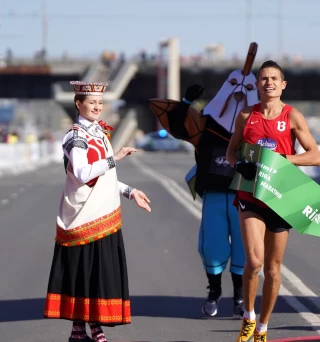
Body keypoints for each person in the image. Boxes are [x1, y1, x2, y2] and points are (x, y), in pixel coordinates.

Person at [147, 42, 260, 318]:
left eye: (246, 88)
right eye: (234, 84)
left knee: (245, 248)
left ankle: (239, 298)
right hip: (213, 193)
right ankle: (213, 292)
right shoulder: (204, 125)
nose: (238, 92)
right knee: (212, 244)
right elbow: (177, 126)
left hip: (244, 196)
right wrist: (185, 104)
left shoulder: (256, 127)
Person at [44, 81, 151, 342]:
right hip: (83, 215)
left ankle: (83, 329)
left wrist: (129, 191)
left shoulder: (99, 134)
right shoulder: (76, 136)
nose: (97, 107)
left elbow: (104, 177)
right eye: (91, 102)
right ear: (78, 104)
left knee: (94, 271)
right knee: (84, 270)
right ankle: (89, 328)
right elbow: (82, 173)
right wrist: (116, 156)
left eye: (100, 103)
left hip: (103, 212)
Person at [226, 60, 320, 342]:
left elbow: (315, 156)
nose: (269, 82)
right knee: (254, 261)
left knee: (272, 268)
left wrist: (284, 159)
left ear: (283, 85)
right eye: (264, 78)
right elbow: (232, 151)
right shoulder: (246, 115)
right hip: (251, 195)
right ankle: (248, 316)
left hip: (281, 198)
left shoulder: (293, 117)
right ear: (257, 84)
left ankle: (263, 327)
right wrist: (238, 166)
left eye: (274, 78)